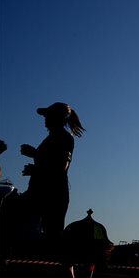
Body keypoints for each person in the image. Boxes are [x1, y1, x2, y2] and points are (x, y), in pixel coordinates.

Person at [20, 102, 85, 249]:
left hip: (53, 196)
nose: (45, 118)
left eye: (48, 115)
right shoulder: (52, 138)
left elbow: (61, 167)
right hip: (40, 194)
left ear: (59, 118)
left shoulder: (64, 138)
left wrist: (35, 156)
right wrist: (35, 168)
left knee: (52, 241)